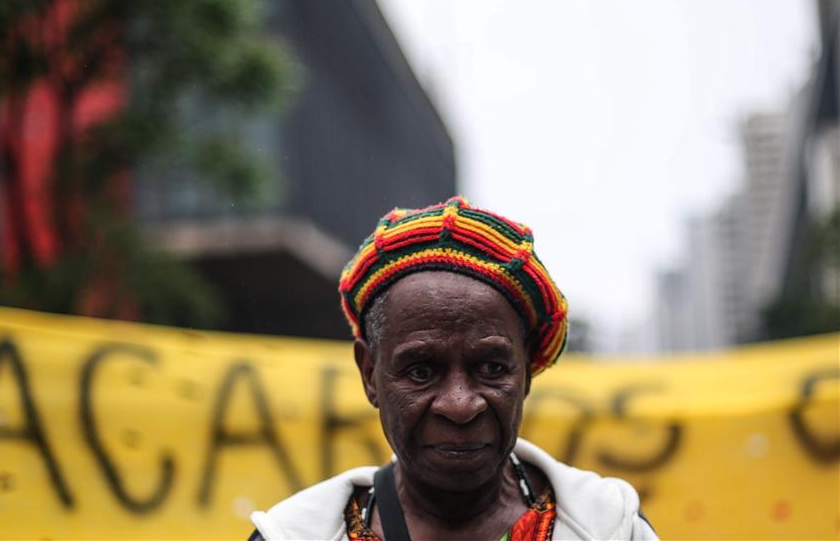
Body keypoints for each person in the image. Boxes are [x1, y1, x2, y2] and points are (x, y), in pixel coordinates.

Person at [249, 196, 658, 541]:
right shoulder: (294, 534)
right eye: (422, 372)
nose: (460, 406)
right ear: (370, 373)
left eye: (493, 367)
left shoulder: (609, 527)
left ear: (527, 371)